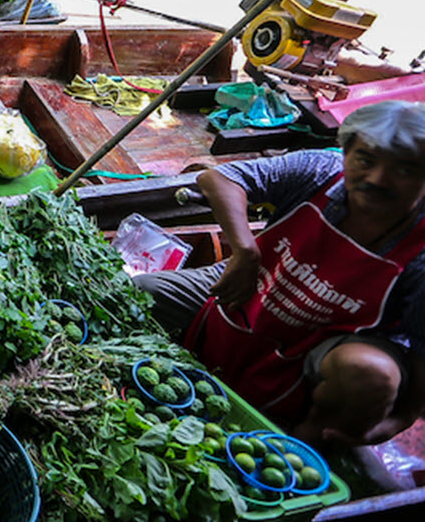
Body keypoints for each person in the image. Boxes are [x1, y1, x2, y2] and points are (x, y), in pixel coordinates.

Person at [134, 100, 425, 447]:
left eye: (404, 171)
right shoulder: (321, 170)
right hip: (259, 283)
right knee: (140, 292)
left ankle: (300, 442)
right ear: (346, 155)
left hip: (331, 342)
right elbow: (219, 178)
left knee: (369, 375)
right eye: (365, 160)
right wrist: (245, 251)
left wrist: (398, 420)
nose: (378, 179)